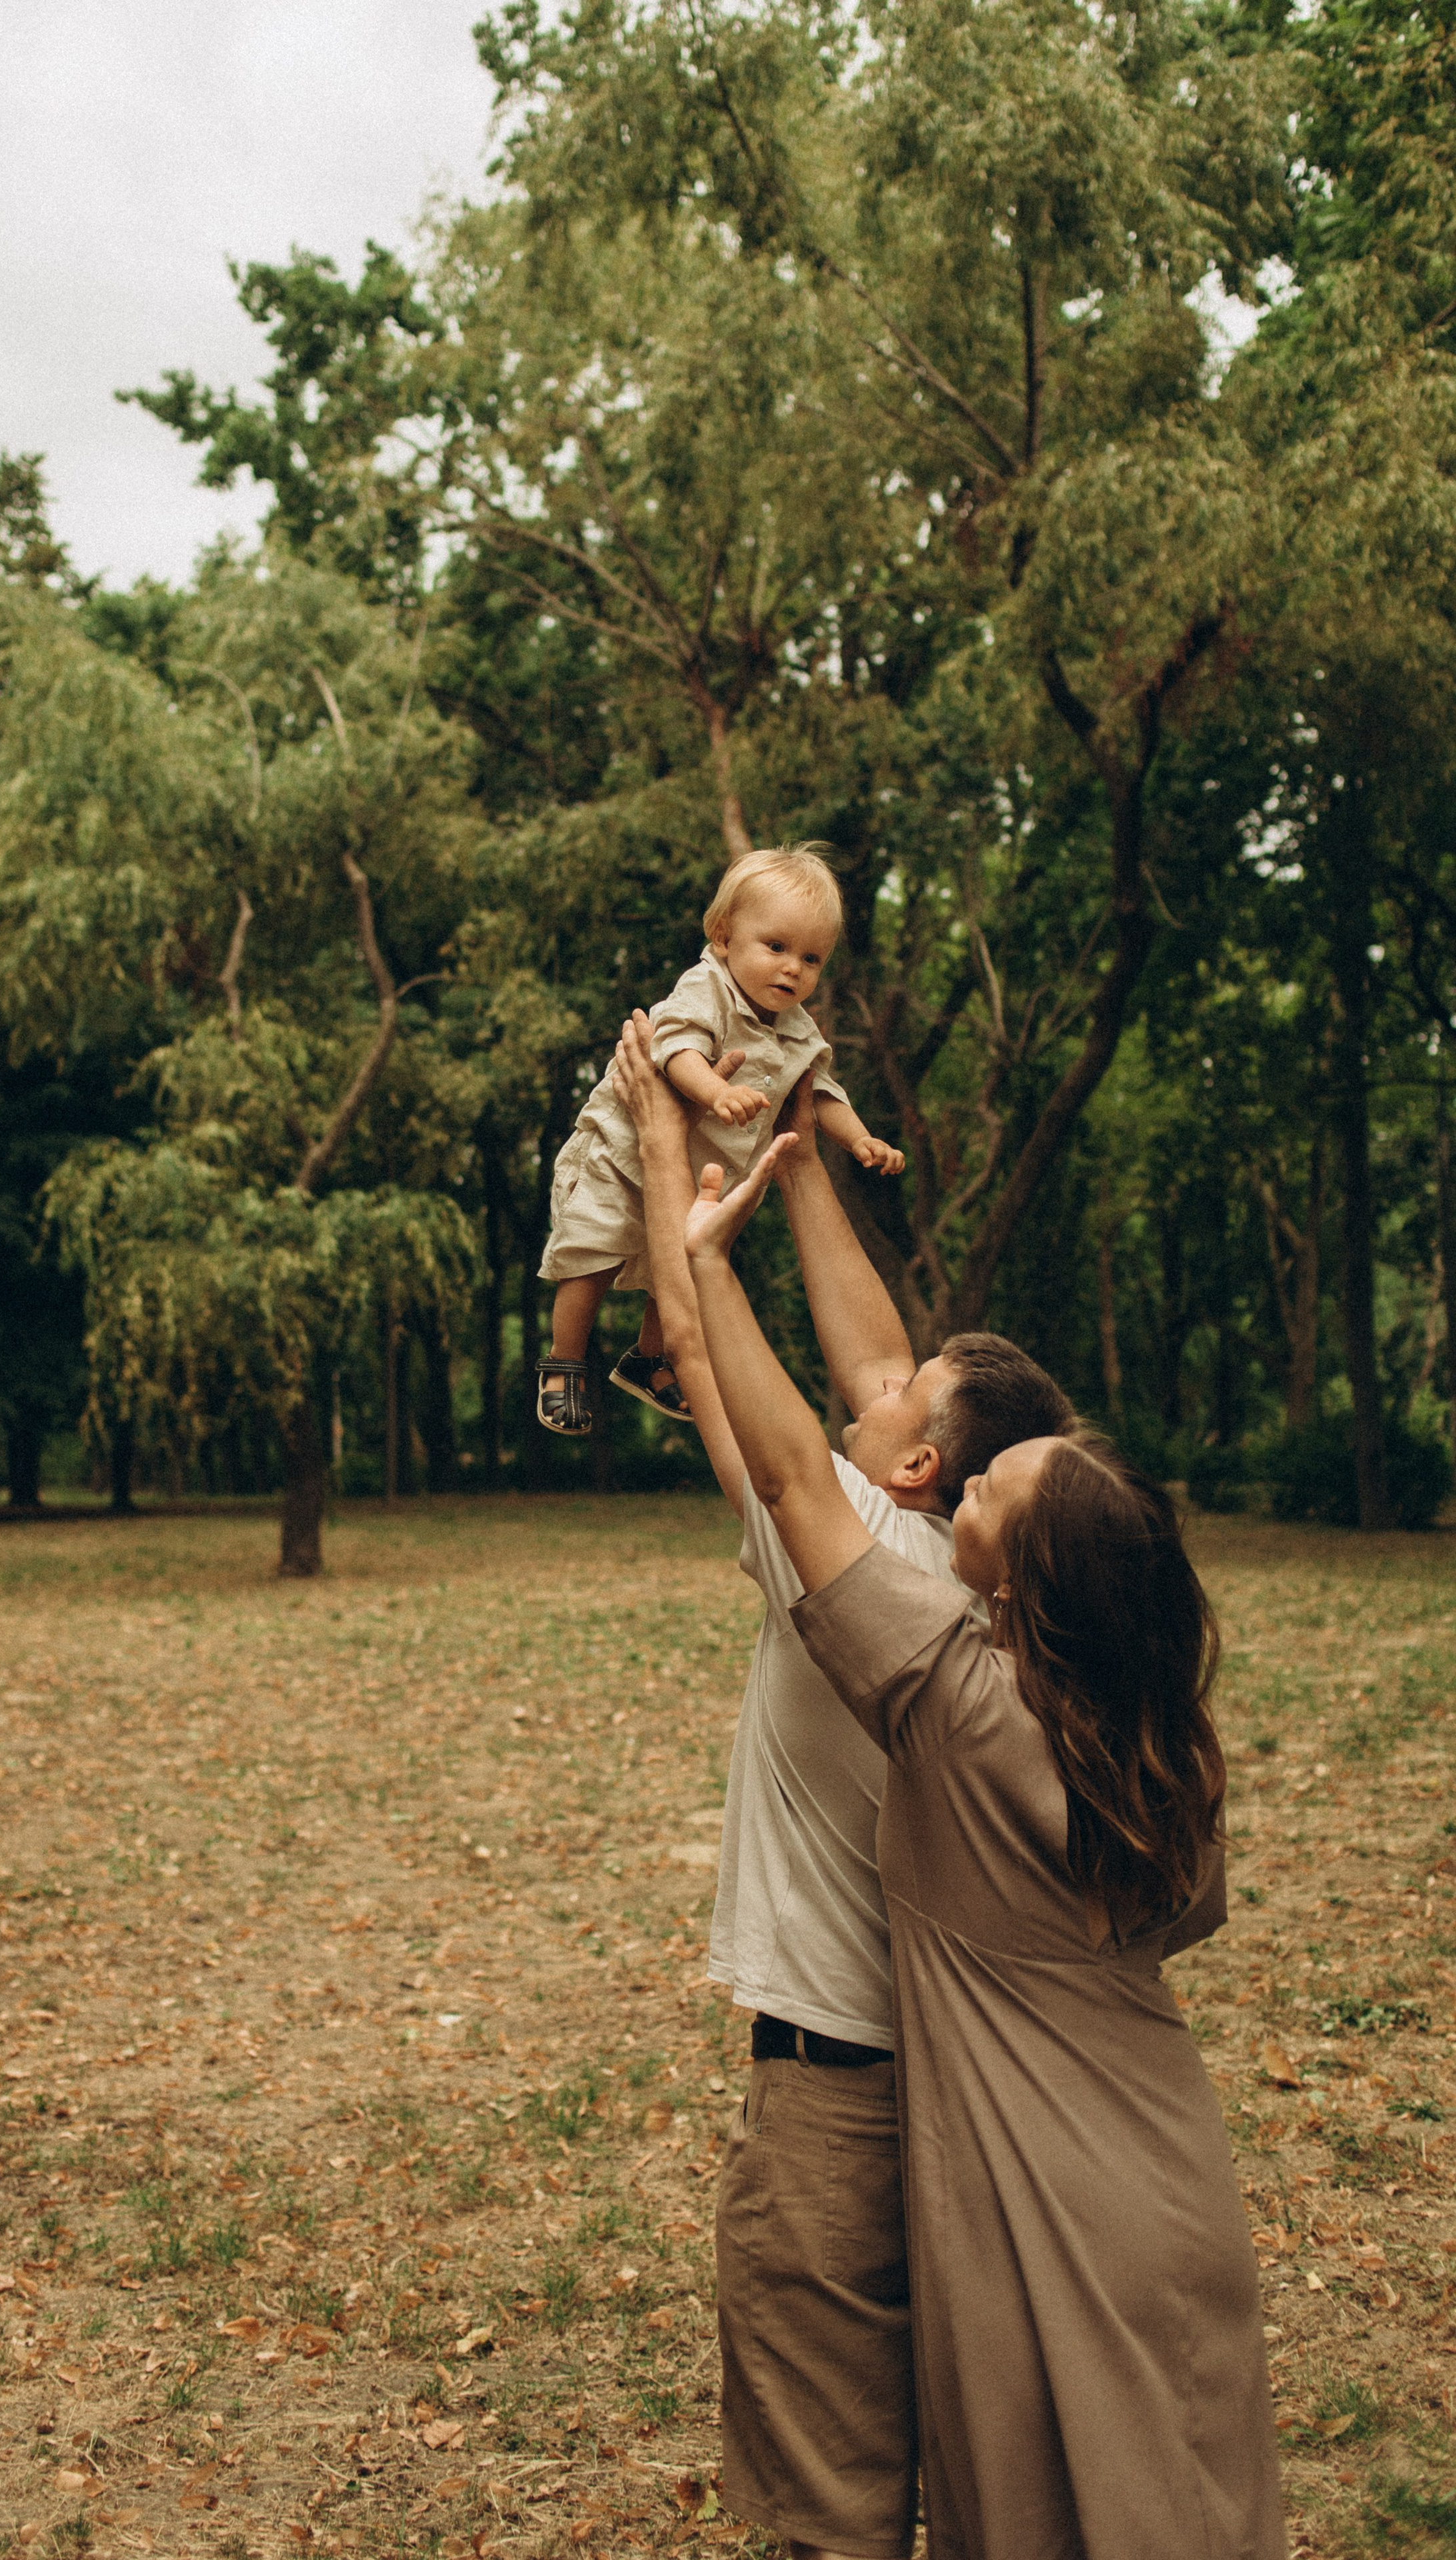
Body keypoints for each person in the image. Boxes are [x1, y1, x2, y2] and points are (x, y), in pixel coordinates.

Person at [681, 1134, 1287, 2560]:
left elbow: (788, 1469)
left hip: (1034, 2183)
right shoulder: (1146, 1741)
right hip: (1162, 2170)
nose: (962, 1483)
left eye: (992, 1492)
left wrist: (703, 1257)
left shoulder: (951, 1694)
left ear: (1015, 1572)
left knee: (1028, 2500)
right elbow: (1180, 1918)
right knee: (1169, 2497)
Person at [610, 1015, 1076, 2560]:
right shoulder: (1001, 1601)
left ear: (919, 1469)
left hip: (836, 2103)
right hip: (980, 2096)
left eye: (895, 1398)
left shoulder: (849, 1569)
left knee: (828, 2499)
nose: (864, 1384)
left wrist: (670, 1152)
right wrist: (799, 1141)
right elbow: (878, 1368)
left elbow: (704, 1359)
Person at [535, 845, 901, 1437]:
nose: (793, 969)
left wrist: (861, 1140)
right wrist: (715, 1093)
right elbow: (674, 1047)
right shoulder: (708, 988)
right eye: (776, 947)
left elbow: (821, 1091)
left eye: (811, 959)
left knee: (676, 1274)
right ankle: (565, 1361)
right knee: (592, 1257)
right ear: (725, 937)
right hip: (621, 1160)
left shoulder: (798, 1027)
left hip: (695, 1180)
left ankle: (649, 1361)